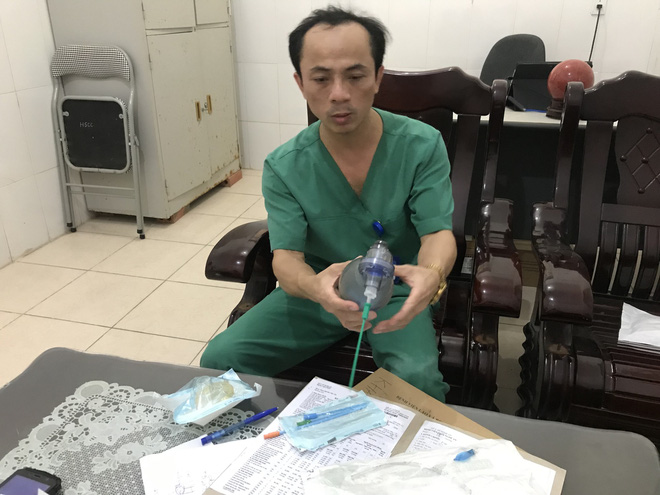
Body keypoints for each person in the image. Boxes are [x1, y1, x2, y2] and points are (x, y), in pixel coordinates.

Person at [201, 6, 457, 402]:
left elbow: (437, 232)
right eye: (321, 78)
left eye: (355, 76)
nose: (339, 93)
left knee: (416, 379)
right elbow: (286, 259)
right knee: (221, 359)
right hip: (319, 288)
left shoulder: (421, 145)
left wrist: (432, 274)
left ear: (378, 77)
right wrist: (316, 289)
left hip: (395, 288)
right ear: (301, 83)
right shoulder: (285, 165)